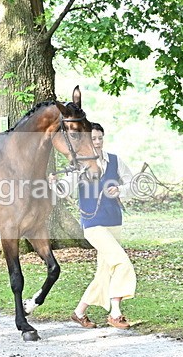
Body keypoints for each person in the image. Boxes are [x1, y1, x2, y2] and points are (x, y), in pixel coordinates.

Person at [50, 123, 137, 329]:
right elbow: (64, 190)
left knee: (104, 272)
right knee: (122, 262)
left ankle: (79, 312)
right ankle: (115, 313)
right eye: (93, 139)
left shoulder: (115, 161)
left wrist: (121, 190)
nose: (96, 142)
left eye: (99, 138)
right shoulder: (80, 164)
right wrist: (54, 183)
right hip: (92, 223)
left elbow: (133, 184)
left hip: (114, 221)